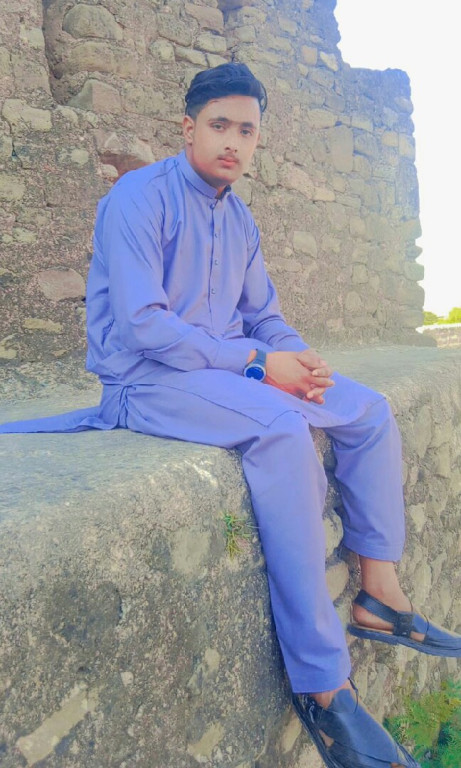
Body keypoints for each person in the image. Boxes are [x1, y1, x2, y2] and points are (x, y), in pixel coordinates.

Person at [1, 63, 459, 768]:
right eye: (219, 126)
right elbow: (145, 325)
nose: (233, 143)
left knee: (366, 410)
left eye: (246, 131)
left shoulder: (239, 218)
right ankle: (324, 685)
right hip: (146, 380)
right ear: (188, 128)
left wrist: (298, 359)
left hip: (222, 374)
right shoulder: (137, 198)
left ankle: (379, 592)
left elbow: (263, 317)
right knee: (281, 431)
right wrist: (257, 364)